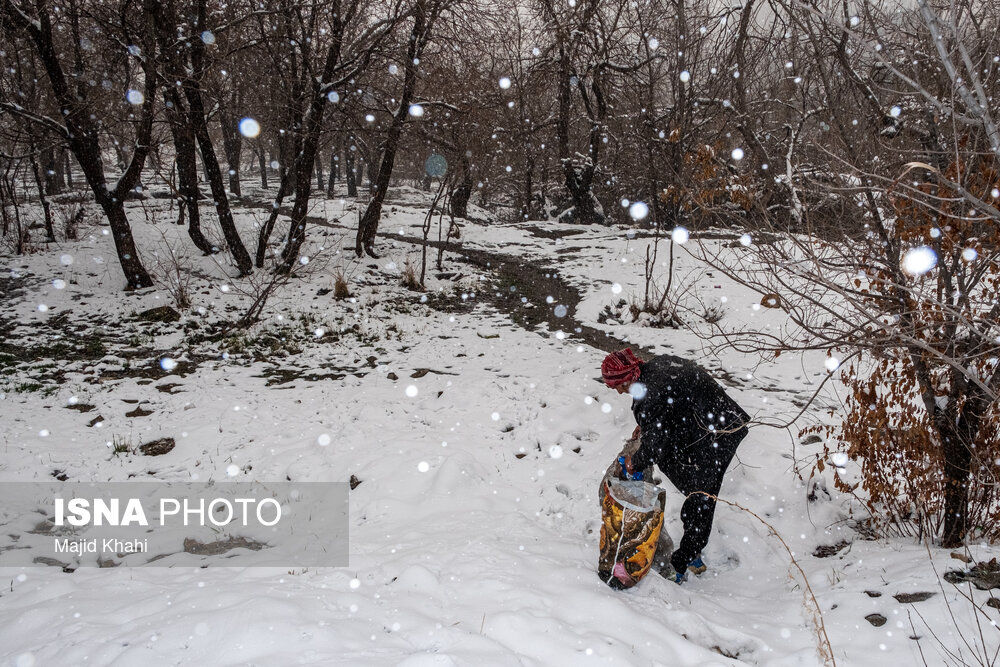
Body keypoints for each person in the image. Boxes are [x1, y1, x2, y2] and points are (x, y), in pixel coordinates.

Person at [601, 348, 749, 583]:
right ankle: (693, 537)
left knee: (701, 494)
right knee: (686, 479)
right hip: (701, 423)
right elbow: (666, 410)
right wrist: (648, 427)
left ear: (628, 376)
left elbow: (655, 439)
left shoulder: (651, 394)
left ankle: (685, 561)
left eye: (618, 385)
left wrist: (635, 462)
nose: (618, 391)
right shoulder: (654, 369)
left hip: (721, 432)